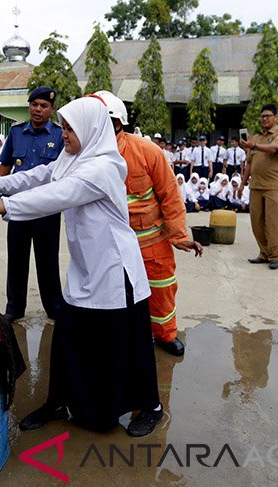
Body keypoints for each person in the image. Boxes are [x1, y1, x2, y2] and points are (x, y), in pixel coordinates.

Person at [0, 96, 163, 437]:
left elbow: (53, 197)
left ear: (90, 129)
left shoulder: (103, 167)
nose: (64, 134)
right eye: (65, 127)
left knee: (129, 346)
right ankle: (59, 401)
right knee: (68, 339)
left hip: (115, 272)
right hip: (86, 269)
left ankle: (151, 406)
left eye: (70, 128)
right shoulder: (71, 158)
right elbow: (30, 179)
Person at [95, 90, 203, 356]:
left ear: (117, 124)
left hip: (151, 241)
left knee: (161, 289)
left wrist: (179, 236)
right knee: (113, 291)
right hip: (109, 243)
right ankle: (118, 336)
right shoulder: (85, 156)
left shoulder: (146, 151)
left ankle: (165, 335)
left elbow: (170, 195)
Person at [0, 86, 65, 321]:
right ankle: (14, 308)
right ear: (29, 106)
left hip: (47, 208)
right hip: (18, 207)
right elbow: (5, 167)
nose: (38, 109)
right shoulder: (16, 133)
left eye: (44, 106)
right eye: (34, 104)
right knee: (17, 258)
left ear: (51, 110)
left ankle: (54, 307)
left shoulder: (59, 135)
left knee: (47, 259)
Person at [238, 104, 278, 270]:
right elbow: (250, 163)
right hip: (256, 185)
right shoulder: (257, 138)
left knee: (272, 221)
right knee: (256, 222)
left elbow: (274, 149)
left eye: (268, 116)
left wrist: (253, 146)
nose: (265, 119)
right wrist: (242, 184)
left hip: (273, 185)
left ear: (275, 117)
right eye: (263, 116)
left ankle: (275, 255)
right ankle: (264, 253)